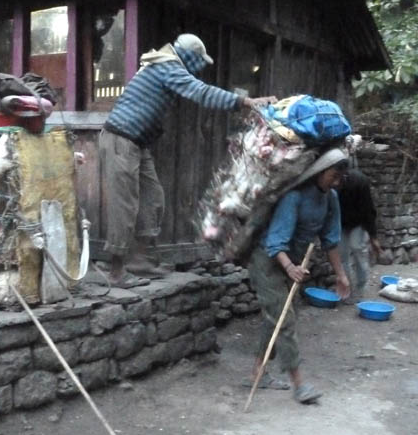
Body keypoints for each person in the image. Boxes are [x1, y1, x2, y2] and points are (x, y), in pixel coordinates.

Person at [100, 33, 277, 288]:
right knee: (125, 206)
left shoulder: (165, 65)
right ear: (188, 56)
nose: (200, 66)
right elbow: (200, 91)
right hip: (121, 139)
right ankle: (117, 271)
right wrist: (247, 102)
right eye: (198, 61)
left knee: (153, 199)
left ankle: (139, 261)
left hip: (137, 143)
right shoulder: (166, 66)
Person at [246, 148, 351, 404]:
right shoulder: (294, 197)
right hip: (267, 260)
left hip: (289, 262)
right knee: (284, 319)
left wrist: (341, 275)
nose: (336, 182)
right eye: (333, 176)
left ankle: (258, 373)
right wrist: (290, 267)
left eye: (340, 178)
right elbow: (275, 242)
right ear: (320, 172)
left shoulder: (331, 199)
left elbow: (331, 240)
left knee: (277, 317)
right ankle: (299, 385)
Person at [337, 168, 382, 304]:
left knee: (358, 249)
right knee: (341, 255)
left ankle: (360, 288)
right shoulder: (330, 184)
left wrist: (373, 237)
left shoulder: (360, 181)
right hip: (339, 222)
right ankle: (346, 288)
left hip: (358, 222)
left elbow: (368, 210)